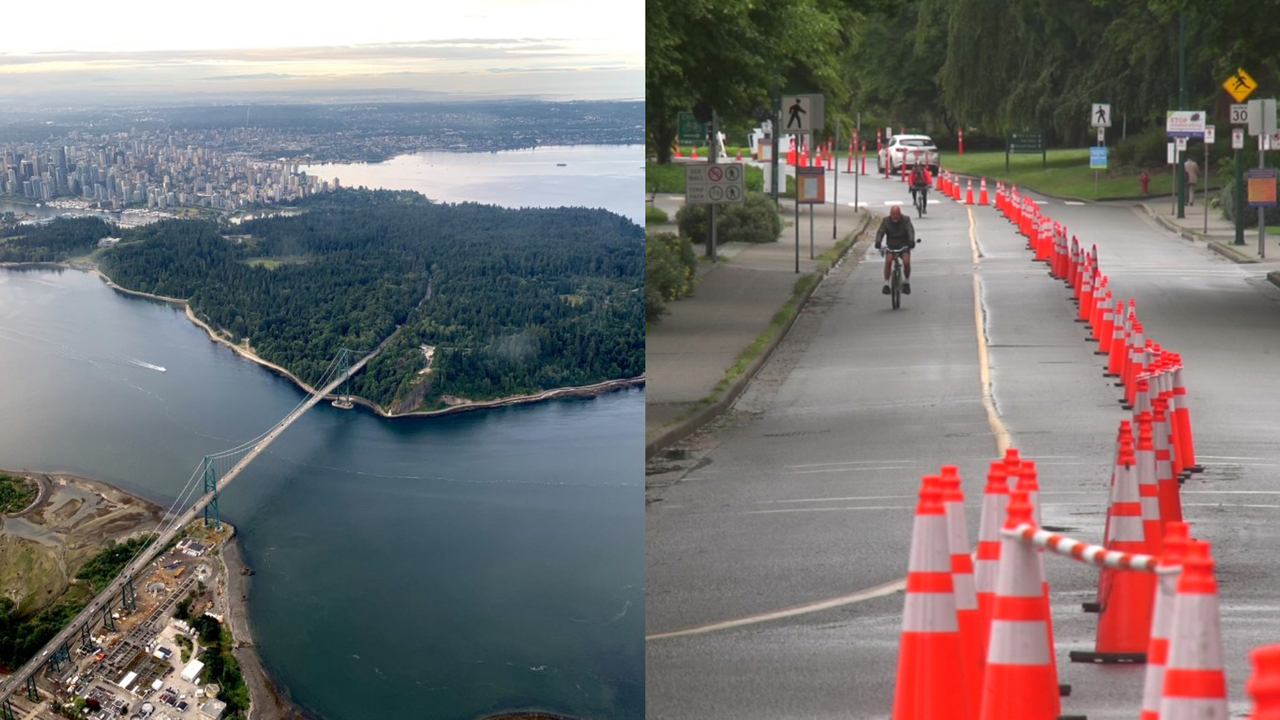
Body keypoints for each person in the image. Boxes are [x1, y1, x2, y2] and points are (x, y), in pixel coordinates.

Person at [874, 205, 916, 295]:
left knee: (906, 262)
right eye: (893, 214)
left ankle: (907, 282)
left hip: (904, 245)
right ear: (890, 214)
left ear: (900, 214)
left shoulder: (906, 220)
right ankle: (886, 284)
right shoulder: (886, 221)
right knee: (888, 261)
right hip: (891, 245)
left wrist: (911, 241)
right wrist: (878, 242)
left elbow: (910, 231)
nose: (895, 216)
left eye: (897, 214)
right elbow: (880, 232)